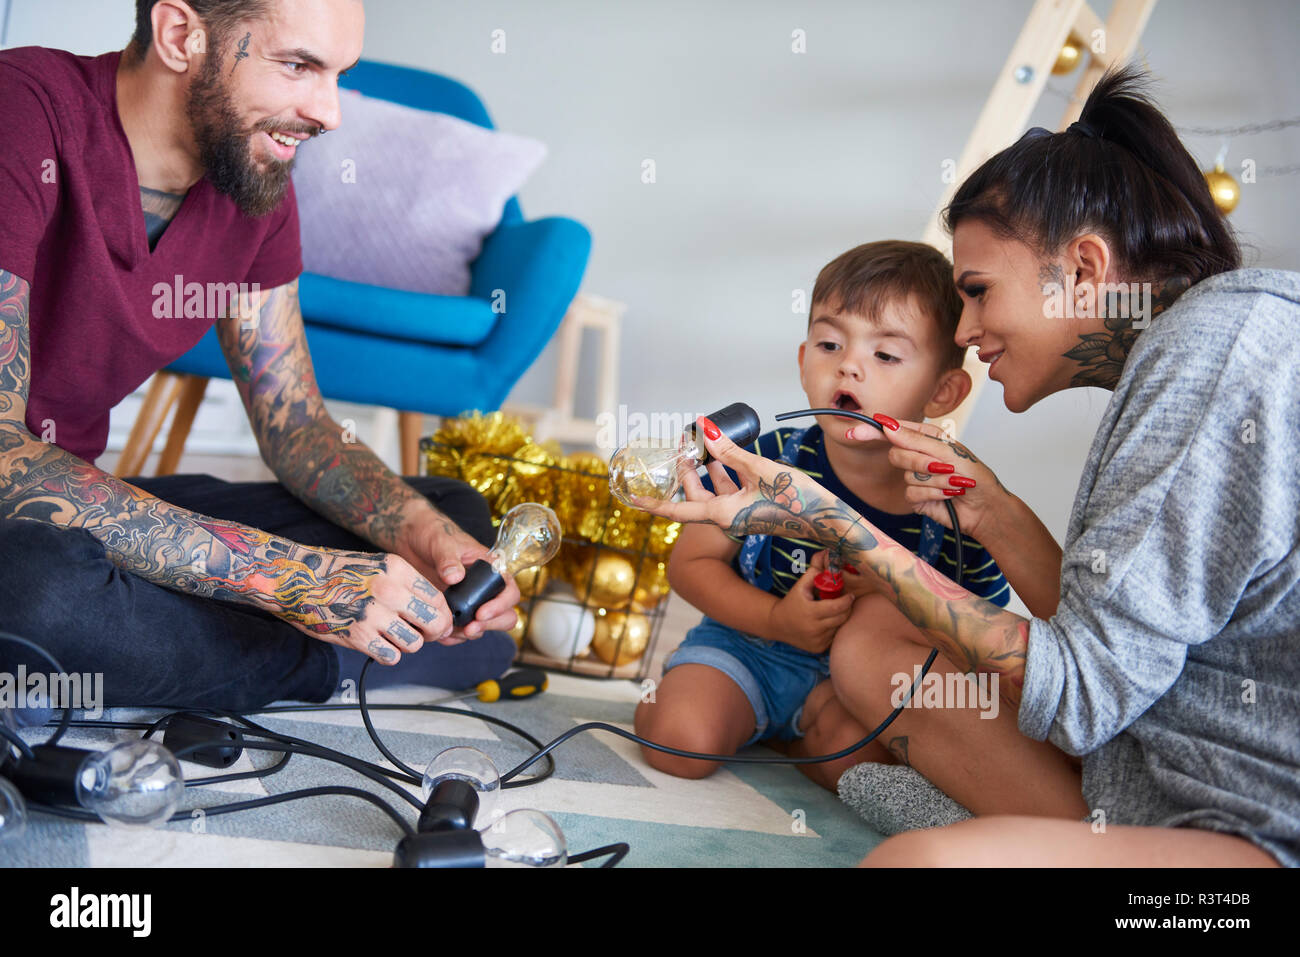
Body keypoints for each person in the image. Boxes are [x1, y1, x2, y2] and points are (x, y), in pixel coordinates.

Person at [632, 66, 1297, 867]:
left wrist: (834, 523)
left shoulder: (1213, 361)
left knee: (920, 864)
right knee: (874, 643)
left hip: (1252, 836)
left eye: (978, 291)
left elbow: (1083, 695)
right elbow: (1121, 647)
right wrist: (995, 510)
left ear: (1082, 269)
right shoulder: (1194, 349)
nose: (970, 329)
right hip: (1152, 771)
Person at [0, 0, 521, 723]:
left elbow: (298, 429)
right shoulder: (21, 110)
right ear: (182, 36)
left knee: (452, 518)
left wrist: (421, 536)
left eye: (338, 74)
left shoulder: (253, 182)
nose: (330, 112)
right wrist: (291, 579)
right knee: (37, 594)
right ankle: (332, 657)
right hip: (19, 535)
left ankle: (188, 647)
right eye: (299, 66)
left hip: (75, 515)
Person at [634, 241, 1013, 792]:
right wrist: (775, 622)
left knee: (856, 770)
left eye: (885, 355)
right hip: (749, 646)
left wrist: (887, 594)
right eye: (829, 343)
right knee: (679, 744)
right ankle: (695, 694)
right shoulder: (766, 459)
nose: (849, 365)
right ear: (803, 362)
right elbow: (690, 564)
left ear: (943, 390)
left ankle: (792, 739)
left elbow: (981, 639)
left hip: (855, 681)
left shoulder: (956, 504)